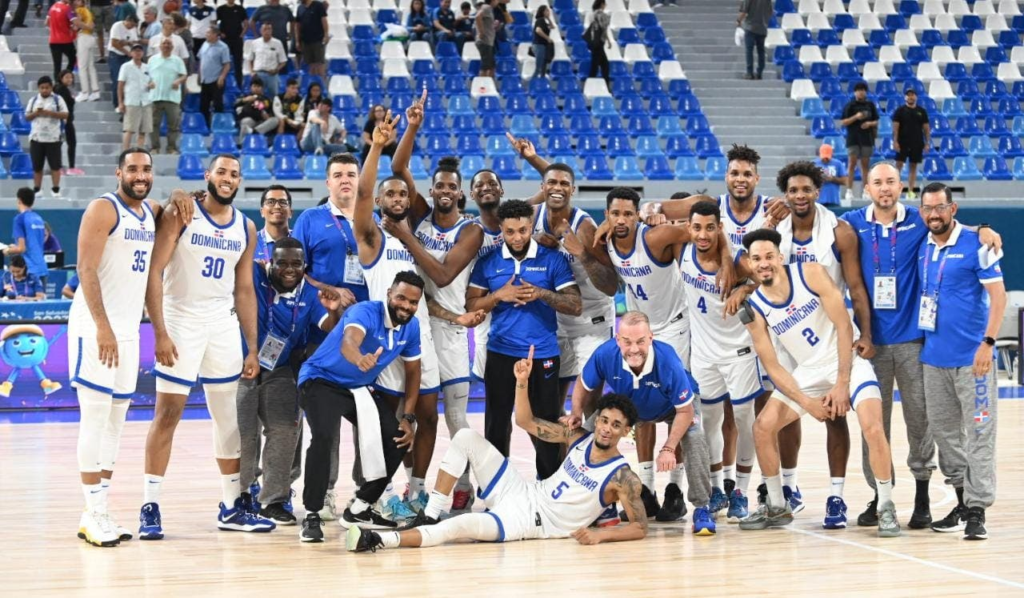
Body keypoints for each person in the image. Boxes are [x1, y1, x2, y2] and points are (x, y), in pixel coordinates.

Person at [347, 355, 648, 552]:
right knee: (465, 437)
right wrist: (521, 382)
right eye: (605, 420)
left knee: (458, 527)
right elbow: (525, 422)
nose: (607, 428)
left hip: (531, 522)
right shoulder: (576, 437)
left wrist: (600, 535)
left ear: (625, 431)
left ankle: (378, 540)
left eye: (616, 425)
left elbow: (639, 528)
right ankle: (429, 513)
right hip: (522, 491)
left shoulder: (623, 477)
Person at [841, 162, 1001, 529]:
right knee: (873, 426)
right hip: (871, 346)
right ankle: (880, 496)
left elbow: (951, 224)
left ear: (901, 188)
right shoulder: (852, 222)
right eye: (877, 183)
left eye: (891, 182)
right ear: (867, 188)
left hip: (915, 342)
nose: (885, 189)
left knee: (922, 426)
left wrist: (984, 228)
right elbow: (814, 218)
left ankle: (923, 498)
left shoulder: (918, 221)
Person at [737, 228, 899, 538]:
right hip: (808, 371)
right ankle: (776, 505)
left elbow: (842, 325)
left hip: (846, 361)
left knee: (873, 426)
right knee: (762, 427)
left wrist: (841, 383)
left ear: (780, 257)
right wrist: (808, 402)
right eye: (756, 259)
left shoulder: (810, 273)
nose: (763, 263)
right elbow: (773, 366)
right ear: (748, 263)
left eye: (769, 256)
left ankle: (886, 505)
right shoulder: (753, 308)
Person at [140, 154, 269, 539]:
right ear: (208, 175)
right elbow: (155, 270)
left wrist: (251, 347)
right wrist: (159, 331)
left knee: (228, 416)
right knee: (168, 414)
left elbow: (244, 289)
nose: (228, 179)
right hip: (180, 318)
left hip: (222, 323)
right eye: (222, 172)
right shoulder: (182, 212)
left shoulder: (246, 227)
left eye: (234, 174)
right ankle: (150, 505)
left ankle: (231, 506)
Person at [599, 188, 730, 522]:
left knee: (678, 407)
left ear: (637, 214)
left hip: (672, 329)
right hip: (636, 333)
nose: (622, 220)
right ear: (608, 215)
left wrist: (656, 207)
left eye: (629, 213)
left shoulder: (657, 235)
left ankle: (675, 487)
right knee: (639, 406)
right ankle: (646, 487)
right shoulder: (607, 240)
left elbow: (704, 210)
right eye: (616, 214)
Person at [390, 98, 488, 512]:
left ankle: (467, 482)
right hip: (415, 324)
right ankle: (413, 488)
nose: (445, 191)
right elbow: (397, 170)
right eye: (439, 186)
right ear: (431, 191)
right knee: (413, 412)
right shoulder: (424, 216)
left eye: (452, 186)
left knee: (455, 421)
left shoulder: (472, 231)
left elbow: (445, 276)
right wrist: (412, 127)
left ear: (460, 193)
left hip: (450, 332)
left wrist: (404, 234)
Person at [768, 160, 876, 529]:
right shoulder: (774, 232)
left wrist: (866, 335)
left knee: (834, 415)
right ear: (785, 194)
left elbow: (857, 289)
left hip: (829, 335)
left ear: (818, 191)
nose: (800, 196)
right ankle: (789, 488)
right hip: (786, 334)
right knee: (786, 416)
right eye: (793, 190)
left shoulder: (839, 232)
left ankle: (836, 496)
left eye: (806, 189)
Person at [68, 148, 161, 547]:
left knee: (116, 421)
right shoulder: (103, 209)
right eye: (133, 169)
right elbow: (84, 269)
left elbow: (165, 203)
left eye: (146, 169)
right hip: (96, 327)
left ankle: (101, 508)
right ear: (118, 172)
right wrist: (103, 327)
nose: (140, 175)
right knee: (95, 416)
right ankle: (91, 511)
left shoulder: (146, 212)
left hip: (128, 330)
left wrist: (176, 199)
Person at [355, 112, 444, 519]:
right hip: (384, 338)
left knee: (427, 415)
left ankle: (419, 489)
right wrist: (376, 146)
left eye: (402, 195)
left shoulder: (417, 235)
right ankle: (384, 490)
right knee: (388, 422)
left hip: (421, 334)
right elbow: (361, 193)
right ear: (379, 201)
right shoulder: (371, 237)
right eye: (389, 195)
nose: (397, 199)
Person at [297, 271, 424, 541]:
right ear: (389, 294)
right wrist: (359, 359)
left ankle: (359, 508)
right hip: (321, 379)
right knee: (323, 437)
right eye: (401, 298)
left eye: (413, 302)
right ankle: (312, 514)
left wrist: (409, 417)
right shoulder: (364, 312)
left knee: (398, 438)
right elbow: (348, 341)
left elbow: (414, 373)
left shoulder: (412, 327)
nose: (406, 306)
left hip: (357, 389)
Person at [565, 311, 715, 535]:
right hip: (632, 406)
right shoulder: (606, 354)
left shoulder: (668, 360)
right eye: (627, 342)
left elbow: (685, 410)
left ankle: (702, 507)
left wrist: (668, 448)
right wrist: (576, 412)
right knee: (583, 435)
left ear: (651, 338)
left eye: (640, 341)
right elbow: (583, 384)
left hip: (675, 407)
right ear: (618, 340)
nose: (634, 349)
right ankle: (590, 505)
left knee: (694, 436)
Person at [466, 198, 582, 480]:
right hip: (500, 353)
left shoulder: (551, 259)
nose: (517, 237)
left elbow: (575, 305)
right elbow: (471, 306)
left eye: (522, 230)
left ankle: (549, 483)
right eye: (510, 232)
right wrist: (497, 296)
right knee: (496, 423)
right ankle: (496, 485)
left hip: (542, 353)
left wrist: (542, 293)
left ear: (531, 226)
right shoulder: (488, 262)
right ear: (502, 230)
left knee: (545, 421)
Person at [916, 183, 1005, 541]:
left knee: (980, 435)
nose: (934, 215)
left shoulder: (978, 245)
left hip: (974, 361)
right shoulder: (923, 245)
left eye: (940, 208)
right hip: (933, 360)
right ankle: (962, 500)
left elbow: (997, 298)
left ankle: (978, 511)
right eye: (928, 209)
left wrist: (988, 343)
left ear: (953, 209)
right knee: (945, 436)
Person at [238, 235, 344, 526]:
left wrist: (334, 311)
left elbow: (326, 325)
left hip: (281, 369)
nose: (289, 268)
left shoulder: (311, 293)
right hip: (241, 365)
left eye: (296, 263)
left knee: (285, 431)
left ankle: (273, 500)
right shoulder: (256, 274)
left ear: (304, 266)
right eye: (281, 262)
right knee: (244, 436)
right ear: (269, 261)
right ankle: (241, 495)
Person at [677, 200, 767, 523]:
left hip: (739, 352)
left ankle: (740, 489)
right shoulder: (682, 251)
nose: (703, 234)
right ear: (689, 228)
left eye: (710, 227)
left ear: (720, 228)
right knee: (710, 423)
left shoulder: (739, 262)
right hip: (703, 353)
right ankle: (717, 487)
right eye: (697, 227)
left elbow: (771, 276)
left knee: (744, 420)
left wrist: (745, 291)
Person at [290, 151, 366, 521]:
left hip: (366, 333)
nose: (345, 180)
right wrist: (330, 291)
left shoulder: (373, 220)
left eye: (351, 174)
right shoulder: (311, 219)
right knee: (325, 421)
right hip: (324, 333)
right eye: (338, 175)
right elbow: (293, 271)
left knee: (367, 417)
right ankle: (326, 490)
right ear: (328, 182)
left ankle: (366, 492)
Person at [25, 76, 69, 199]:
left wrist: (50, 113)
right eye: (42, 88)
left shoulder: (57, 99)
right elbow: (26, 117)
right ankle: (37, 189)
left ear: (51, 88)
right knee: (37, 166)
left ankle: (55, 190)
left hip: (53, 138)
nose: (44, 90)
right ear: (39, 88)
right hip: (36, 138)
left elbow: (66, 114)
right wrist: (36, 113)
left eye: (47, 87)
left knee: (55, 166)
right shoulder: (33, 100)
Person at [147, 37, 188, 155]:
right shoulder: (152, 60)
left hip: (172, 98)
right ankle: (155, 147)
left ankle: (172, 148)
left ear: (172, 47)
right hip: (155, 96)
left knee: (174, 125)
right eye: (164, 43)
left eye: (169, 43)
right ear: (159, 46)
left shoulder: (177, 60)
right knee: (153, 125)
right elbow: (146, 75)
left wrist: (178, 81)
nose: (166, 45)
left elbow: (184, 75)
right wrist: (148, 83)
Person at [840, 82, 879, 202]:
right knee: (851, 164)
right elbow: (844, 122)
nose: (861, 92)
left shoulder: (870, 105)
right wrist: (856, 117)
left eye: (863, 90)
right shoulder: (850, 105)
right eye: (858, 90)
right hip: (853, 138)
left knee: (865, 166)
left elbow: (876, 121)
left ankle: (866, 190)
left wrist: (869, 124)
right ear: (855, 92)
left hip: (867, 138)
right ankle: (849, 191)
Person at [4, 188, 49, 287]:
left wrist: (7, 251)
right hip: (42, 269)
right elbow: (34, 243)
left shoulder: (19, 219)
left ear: (19, 200)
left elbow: (21, 248)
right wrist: (14, 246)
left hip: (29, 272)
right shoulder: (39, 219)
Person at [892, 89, 931, 199]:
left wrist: (927, 142)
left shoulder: (921, 111)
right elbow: (895, 128)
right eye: (908, 95)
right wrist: (895, 141)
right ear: (905, 97)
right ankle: (895, 191)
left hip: (917, 142)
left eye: (912, 95)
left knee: (913, 166)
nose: (910, 97)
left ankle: (910, 191)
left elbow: (926, 128)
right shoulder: (899, 111)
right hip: (902, 142)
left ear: (916, 97)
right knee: (898, 166)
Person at [117, 44, 153, 151]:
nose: (138, 53)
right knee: (129, 129)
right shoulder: (126, 66)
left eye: (140, 51)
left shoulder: (147, 67)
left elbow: (152, 82)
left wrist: (152, 85)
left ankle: (139, 152)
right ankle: (125, 152)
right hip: (132, 101)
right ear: (131, 53)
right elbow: (120, 85)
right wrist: (120, 102)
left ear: (143, 53)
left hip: (146, 101)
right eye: (135, 51)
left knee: (143, 130)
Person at [197, 26, 232, 127]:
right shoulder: (204, 44)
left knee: (217, 105)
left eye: (208, 33)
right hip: (205, 80)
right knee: (203, 105)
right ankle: (205, 126)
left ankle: (218, 126)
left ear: (216, 35)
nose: (206, 35)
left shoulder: (223, 47)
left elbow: (227, 64)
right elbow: (201, 61)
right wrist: (199, 75)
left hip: (216, 80)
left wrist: (222, 77)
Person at [53, 70, 84, 177]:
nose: (69, 79)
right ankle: (67, 167)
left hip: (64, 120)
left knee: (62, 144)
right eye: (67, 77)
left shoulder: (61, 89)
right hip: (64, 120)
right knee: (70, 143)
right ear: (61, 78)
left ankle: (61, 167)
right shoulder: (61, 89)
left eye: (71, 77)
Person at [106, 14, 139, 109]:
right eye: (131, 25)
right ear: (128, 21)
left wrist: (129, 45)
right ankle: (117, 103)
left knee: (128, 80)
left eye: (134, 26)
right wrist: (127, 51)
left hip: (128, 56)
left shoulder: (133, 29)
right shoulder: (117, 26)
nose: (132, 27)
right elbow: (114, 43)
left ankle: (126, 101)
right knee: (117, 79)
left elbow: (134, 41)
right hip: (116, 55)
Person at [248, 22, 287, 99]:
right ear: (261, 31)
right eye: (265, 29)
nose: (267, 31)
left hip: (271, 75)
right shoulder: (255, 43)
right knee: (257, 97)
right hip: (258, 74)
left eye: (269, 29)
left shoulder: (277, 43)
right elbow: (250, 59)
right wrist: (251, 72)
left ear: (272, 30)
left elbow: (283, 61)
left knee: (273, 97)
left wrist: (276, 69)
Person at [71, 0, 101, 102]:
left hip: (83, 37)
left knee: (82, 67)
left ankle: (85, 92)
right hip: (91, 37)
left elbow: (76, 25)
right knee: (91, 66)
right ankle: (96, 91)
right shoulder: (88, 11)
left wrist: (72, 26)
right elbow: (92, 24)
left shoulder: (79, 10)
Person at [235, 77, 279, 143]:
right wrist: (245, 100)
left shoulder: (267, 99)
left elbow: (270, 112)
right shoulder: (246, 97)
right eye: (254, 86)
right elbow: (235, 105)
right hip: (250, 120)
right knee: (246, 122)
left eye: (258, 86)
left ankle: (254, 131)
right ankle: (242, 144)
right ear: (251, 87)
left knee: (275, 120)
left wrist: (267, 116)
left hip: (262, 122)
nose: (256, 88)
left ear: (262, 88)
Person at [215, 0, 248, 87]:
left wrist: (242, 34)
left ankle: (239, 85)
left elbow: (246, 23)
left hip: (237, 40)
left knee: (238, 64)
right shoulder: (220, 9)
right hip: (225, 40)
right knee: (223, 63)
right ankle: (221, 84)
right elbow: (214, 23)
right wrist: (220, 33)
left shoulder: (240, 9)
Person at [737, 0, 770, 80]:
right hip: (762, 27)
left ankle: (749, 72)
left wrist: (738, 21)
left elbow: (744, 12)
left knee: (749, 50)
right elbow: (770, 12)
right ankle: (759, 73)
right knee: (761, 51)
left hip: (750, 27)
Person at [295, 0, 328, 77]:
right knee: (309, 64)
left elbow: (324, 20)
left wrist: (326, 35)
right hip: (305, 41)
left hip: (317, 40)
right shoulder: (300, 8)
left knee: (319, 63)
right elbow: (297, 25)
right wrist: (297, 40)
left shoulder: (318, 5)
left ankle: (321, 84)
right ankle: (313, 83)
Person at [47, 0, 77, 81]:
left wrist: (55, 28)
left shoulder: (52, 7)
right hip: (65, 40)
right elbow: (76, 22)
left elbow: (46, 22)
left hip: (53, 40)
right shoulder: (67, 8)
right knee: (73, 59)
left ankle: (58, 84)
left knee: (57, 65)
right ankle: (65, 78)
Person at [585, 0, 610, 82]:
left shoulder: (592, 15)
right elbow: (603, 28)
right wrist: (608, 40)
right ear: (602, 4)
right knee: (600, 66)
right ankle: (592, 84)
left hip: (593, 41)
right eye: (604, 4)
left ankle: (603, 84)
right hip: (599, 43)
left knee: (600, 65)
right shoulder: (602, 15)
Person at [475, 0, 497, 79]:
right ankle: (482, 85)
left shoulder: (489, 9)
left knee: (491, 65)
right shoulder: (486, 7)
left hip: (489, 41)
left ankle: (489, 83)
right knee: (485, 66)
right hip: (485, 41)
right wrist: (481, 32)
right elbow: (478, 16)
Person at [531, 5, 553, 79]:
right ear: (543, 12)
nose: (548, 12)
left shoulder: (544, 21)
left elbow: (552, 27)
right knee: (539, 68)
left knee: (543, 68)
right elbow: (538, 30)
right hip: (539, 45)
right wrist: (547, 38)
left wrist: (548, 18)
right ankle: (532, 84)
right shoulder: (540, 20)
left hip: (543, 46)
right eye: (547, 10)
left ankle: (541, 83)